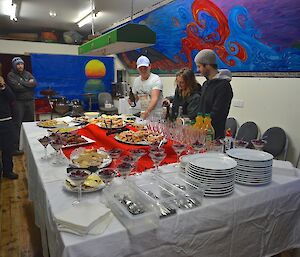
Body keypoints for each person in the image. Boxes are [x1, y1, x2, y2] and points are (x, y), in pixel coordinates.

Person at [194, 49, 233, 139]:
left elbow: (217, 114)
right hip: (201, 134)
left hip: (214, 136)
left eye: (199, 66)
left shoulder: (224, 86)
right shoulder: (206, 84)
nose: (197, 70)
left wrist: (204, 127)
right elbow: (201, 109)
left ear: (207, 65)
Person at [7, 57, 37, 154]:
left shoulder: (27, 73)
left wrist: (22, 83)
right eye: (18, 64)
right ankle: (16, 147)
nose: (20, 66)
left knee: (30, 123)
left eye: (21, 64)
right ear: (14, 65)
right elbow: (16, 88)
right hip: (18, 102)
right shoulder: (10, 75)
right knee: (18, 124)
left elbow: (34, 83)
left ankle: (30, 144)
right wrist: (27, 84)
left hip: (30, 101)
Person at [0, 76, 18, 180]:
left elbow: (12, 98)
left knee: (7, 149)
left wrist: (3, 86)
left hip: (6, 121)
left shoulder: (4, 87)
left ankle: (8, 171)